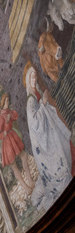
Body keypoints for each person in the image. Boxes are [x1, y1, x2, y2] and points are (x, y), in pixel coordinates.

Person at [24, 65, 74, 210]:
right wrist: (44, 102)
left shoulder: (36, 93)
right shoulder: (30, 100)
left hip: (49, 131)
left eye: (35, 77)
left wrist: (44, 101)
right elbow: (34, 123)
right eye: (31, 77)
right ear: (28, 81)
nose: (34, 80)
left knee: (64, 145)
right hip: (43, 139)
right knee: (58, 161)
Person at [0, 93, 35, 193]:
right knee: (14, 166)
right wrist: (4, 132)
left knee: (24, 156)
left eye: (9, 100)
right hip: (7, 142)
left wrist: (10, 116)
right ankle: (25, 187)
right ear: (3, 102)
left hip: (13, 137)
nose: (8, 102)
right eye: (7, 101)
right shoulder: (1, 118)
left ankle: (30, 181)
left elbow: (16, 115)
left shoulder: (8, 113)